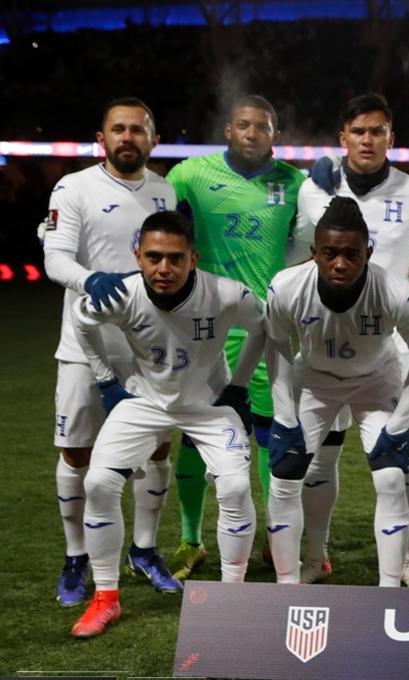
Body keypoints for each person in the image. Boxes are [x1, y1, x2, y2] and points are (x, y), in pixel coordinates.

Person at [69, 211, 264, 637]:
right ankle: (105, 599)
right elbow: (82, 321)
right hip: (146, 402)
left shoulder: (226, 293)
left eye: (175, 258)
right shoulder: (121, 294)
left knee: (233, 486)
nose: (164, 268)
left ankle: (233, 598)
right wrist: (106, 381)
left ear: (193, 259)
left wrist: (239, 385)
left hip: (210, 405)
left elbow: (263, 326)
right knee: (99, 484)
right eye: (154, 257)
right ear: (137, 256)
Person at [292, 93, 409, 588]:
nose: (368, 140)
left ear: (391, 138)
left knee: (395, 454)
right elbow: (298, 249)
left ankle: (403, 558)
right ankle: (316, 556)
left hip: (391, 343)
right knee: (323, 452)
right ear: (343, 138)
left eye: (377, 131)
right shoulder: (313, 189)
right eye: (358, 131)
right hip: (324, 337)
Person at [43, 97, 180, 606]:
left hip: (149, 349)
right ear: (102, 138)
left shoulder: (164, 192)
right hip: (84, 343)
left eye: (138, 129)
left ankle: (144, 551)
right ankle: (77, 556)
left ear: (153, 139)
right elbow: (55, 257)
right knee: (76, 450)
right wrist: (91, 279)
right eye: (118, 129)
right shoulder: (74, 187)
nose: (128, 137)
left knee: (157, 450)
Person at [163, 94, 306, 580]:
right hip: (202, 330)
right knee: (192, 436)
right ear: (229, 129)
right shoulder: (189, 174)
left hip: (265, 330)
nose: (251, 133)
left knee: (269, 433)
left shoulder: (294, 184)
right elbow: (152, 214)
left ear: (275, 135)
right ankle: (190, 539)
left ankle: (272, 537)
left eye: (261, 127)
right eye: (243, 125)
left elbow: (314, 235)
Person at [264, 196, 409, 587]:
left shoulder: (397, 294)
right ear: (314, 253)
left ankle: (394, 580)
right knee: (285, 473)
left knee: (393, 474)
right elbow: (273, 345)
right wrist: (283, 416)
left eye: (351, 254)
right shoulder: (286, 286)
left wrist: (400, 425)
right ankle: (295, 577)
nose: (340, 263)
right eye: (329, 253)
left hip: (376, 379)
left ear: (368, 252)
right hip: (316, 380)